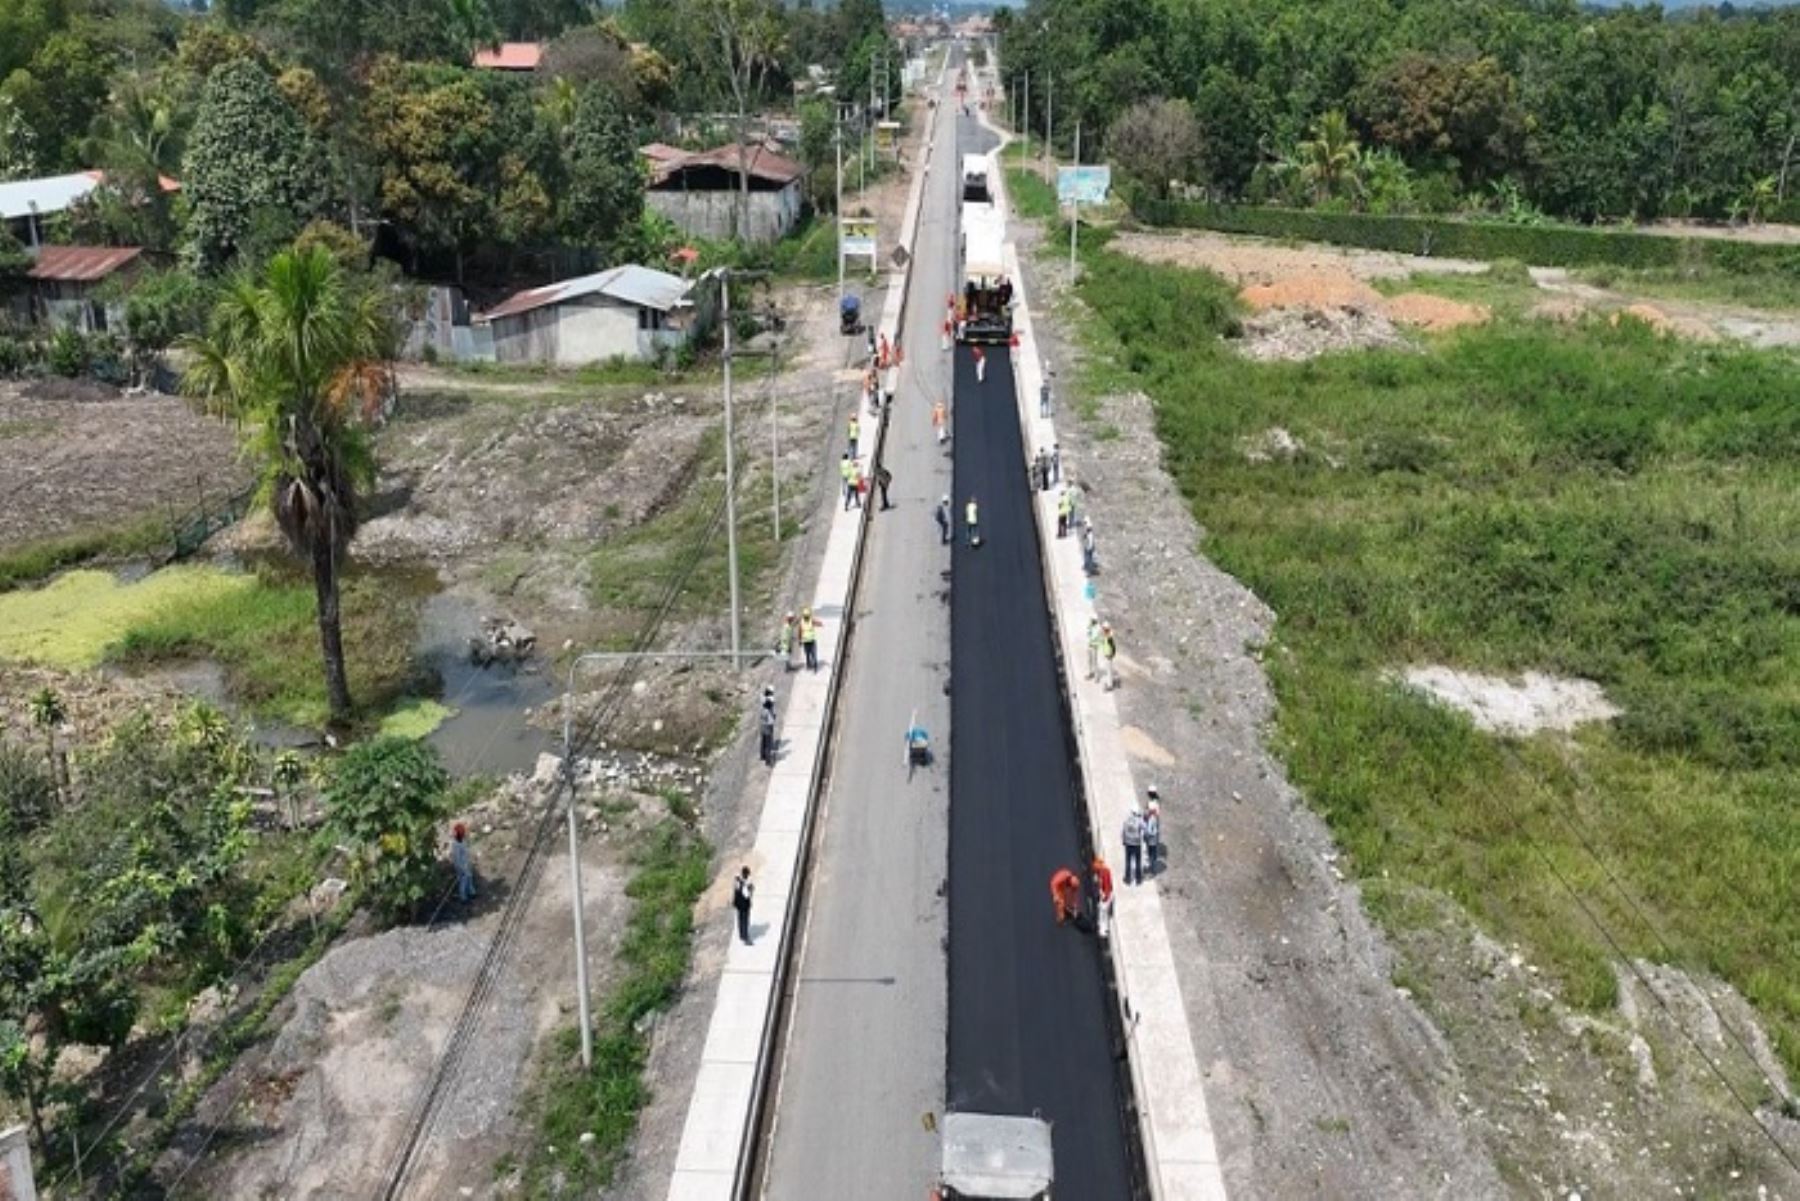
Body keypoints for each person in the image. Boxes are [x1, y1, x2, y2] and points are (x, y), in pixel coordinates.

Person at [451, 822, 476, 902]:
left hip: (466, 863)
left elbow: (466, 852)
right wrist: (462, 868)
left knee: (470, 877)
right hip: (461, 866)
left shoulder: (462, 841)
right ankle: (463, 897)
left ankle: (472, 892)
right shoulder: (455, 845)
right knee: (463, 881)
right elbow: (457, 859)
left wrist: (469, 861)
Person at [1091, 855, 1115, 938]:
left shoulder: (1103, 874)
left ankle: (1103, 931)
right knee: (1104, 913)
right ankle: (1104, 928)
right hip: (1108, 894)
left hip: (1106, 896)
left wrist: (1104, 897)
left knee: (1103, 913)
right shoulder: (1105, 871)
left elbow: (1104, 888)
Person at [1121, 807, 1145, 886]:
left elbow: (1123, 831)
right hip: (1136, 844)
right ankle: (1138, 879)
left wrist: (1124, 840)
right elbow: (1144, 827)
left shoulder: (1127, 820)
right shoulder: (1139, 821)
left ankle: (1127, 879)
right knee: (1138, 862)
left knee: (1128, 861)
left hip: (1128, 843)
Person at [732, 867, 754, 945]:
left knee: (740, 919)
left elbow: (735, 890)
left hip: (738, 904)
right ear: (747, 874)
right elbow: (748, 894)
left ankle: (741, 935)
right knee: (745, 920)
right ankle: (745, 937)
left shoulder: (737, 881)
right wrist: (751, 888)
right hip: (744, 904)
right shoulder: (747, 883)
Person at [1145, 798, 1163, 876]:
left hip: (1151, 840)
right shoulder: (1155, 818)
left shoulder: (1151, 819)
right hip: (1154, 840)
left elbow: (1150, 830)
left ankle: (1152, 869)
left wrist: (1148, 835)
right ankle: (1153, 868)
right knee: (1153, 854)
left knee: (1151, 854)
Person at [799, 607, 821, 672]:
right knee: (812, 653)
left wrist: (800, 640)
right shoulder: (810, 620)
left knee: (808, 653)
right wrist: (820, 624)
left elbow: (800, 632)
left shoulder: (802, 622)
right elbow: (818, 623)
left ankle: (810, 665)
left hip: (806, 641)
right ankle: (813, 666)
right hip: (810, 640)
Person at [1100, 622, 1118, 690]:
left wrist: (1112, 654)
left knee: (1109, 671)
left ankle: (1110, 685)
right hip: (1107, 655)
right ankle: (1109, 683)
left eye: (1104, 628)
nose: (1103, 630)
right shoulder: (1106, 635)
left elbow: (1113, 647)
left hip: (1109, 655)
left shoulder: (1109, 637)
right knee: (1108, 670)